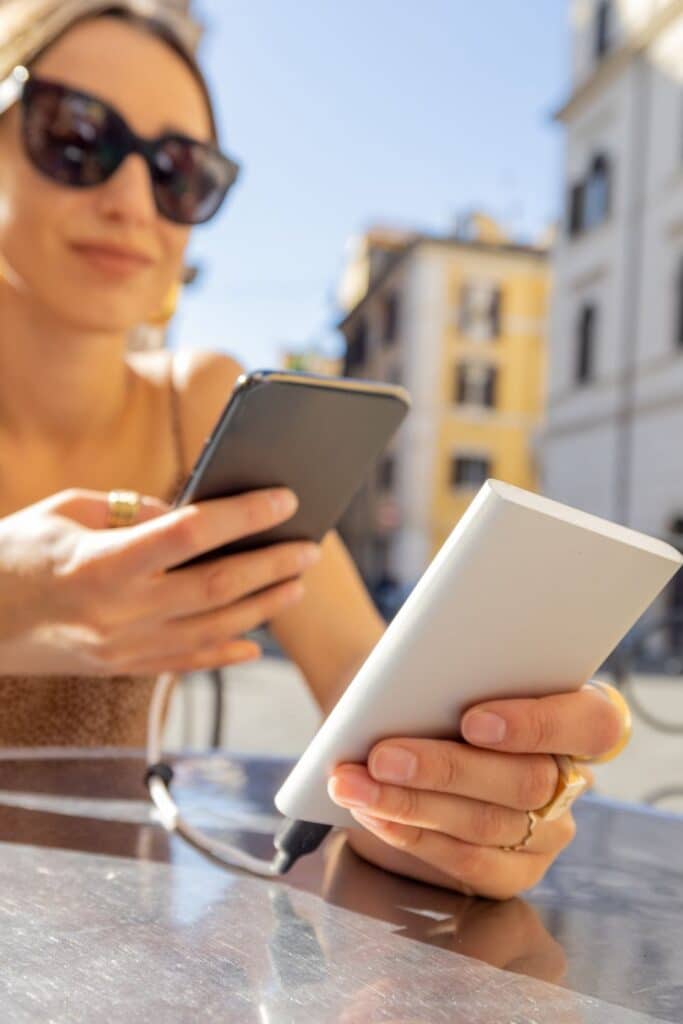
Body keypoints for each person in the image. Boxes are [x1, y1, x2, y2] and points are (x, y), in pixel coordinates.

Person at [0, 0, 628, 900]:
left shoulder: (197, 403)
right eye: (76, 135)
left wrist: (449, 811)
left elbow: (362, 698)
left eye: (181, 173)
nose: (131, 201)